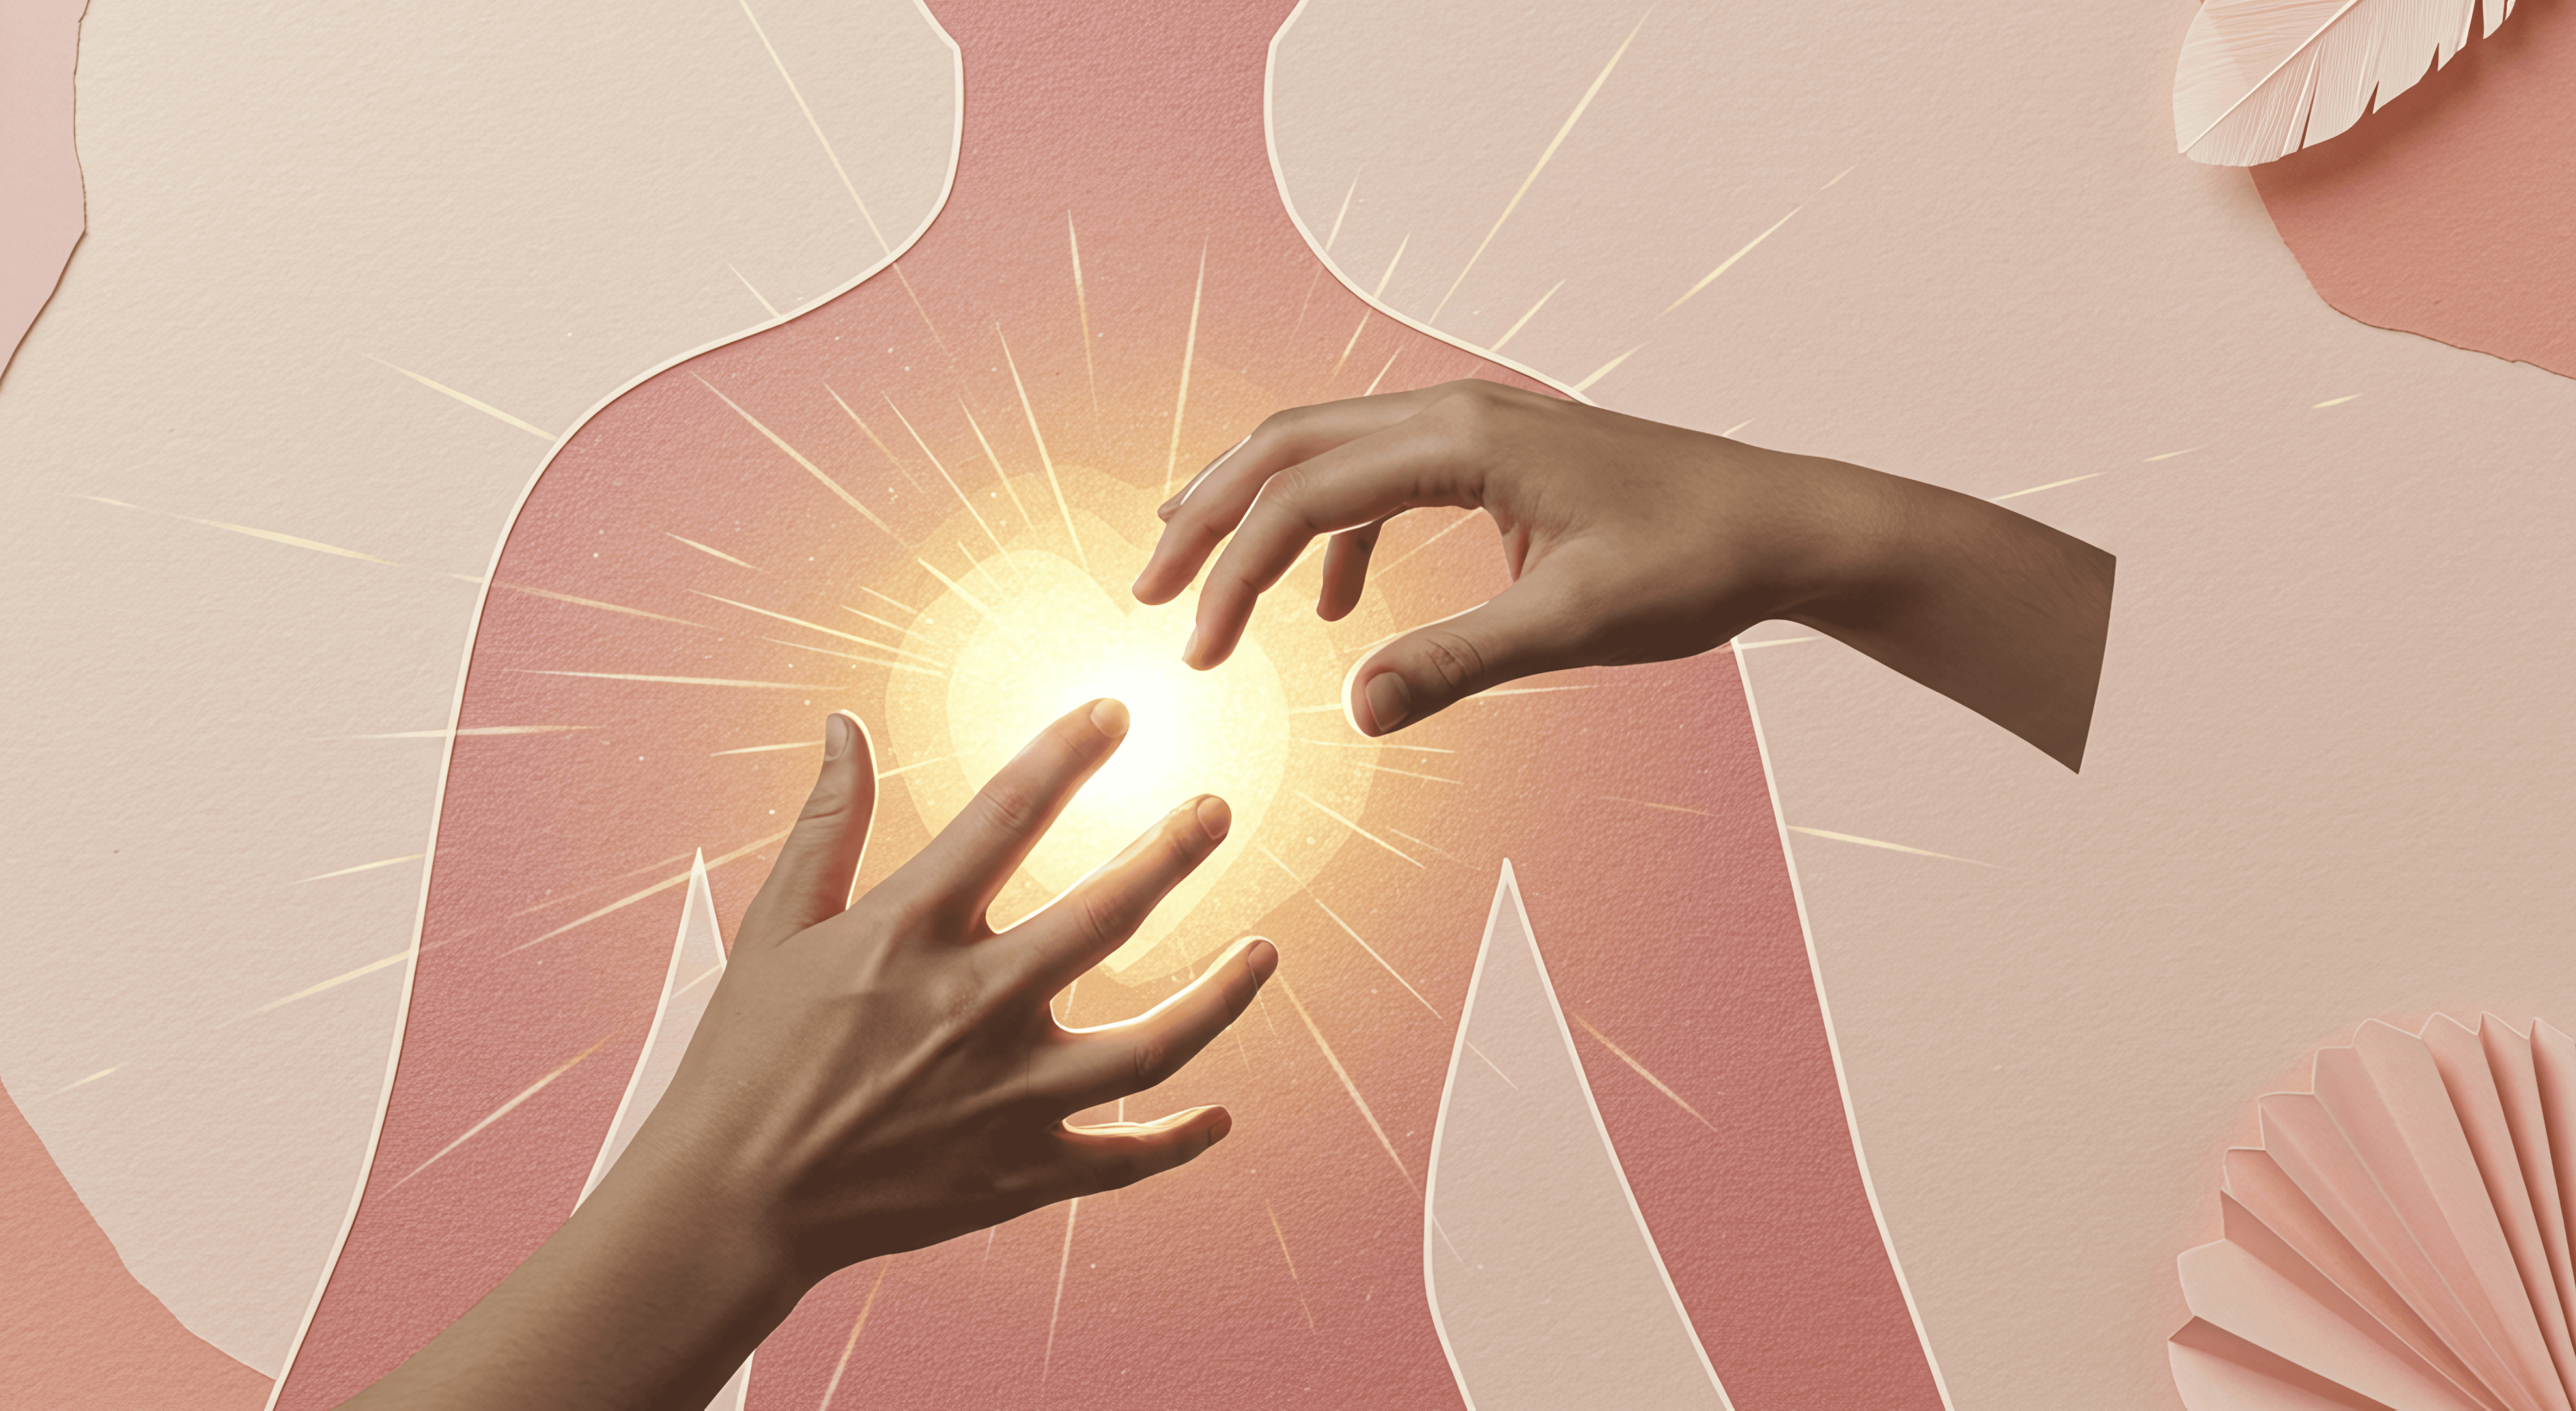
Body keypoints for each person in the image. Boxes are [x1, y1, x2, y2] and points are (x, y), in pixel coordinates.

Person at [342, 381, 2113, 1410]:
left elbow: (1765, 1214)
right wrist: (736, 1195)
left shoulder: (665, 467)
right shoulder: (661, 478)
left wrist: (1846, 542)